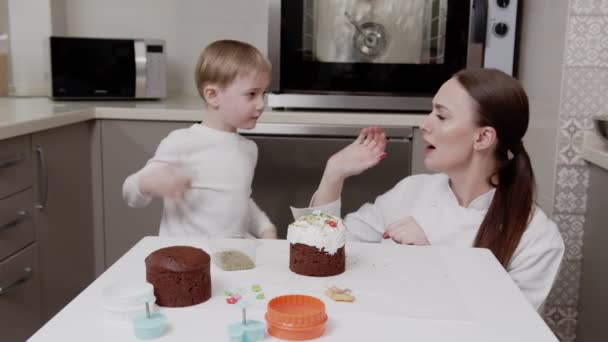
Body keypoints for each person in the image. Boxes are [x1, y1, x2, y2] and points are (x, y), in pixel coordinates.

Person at [291, 68, 564, 310]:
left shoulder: (537, 238)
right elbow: (320, 251)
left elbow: (507, 327)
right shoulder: (411, 191)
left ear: (482, 137)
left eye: (442, 116)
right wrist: (334, 173)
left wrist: (433, 262)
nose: (425, 124)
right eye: (431, 111)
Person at [123, 39, 277, 239]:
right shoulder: (181, 142)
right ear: (213, 96)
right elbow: (130, 192)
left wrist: (264, 226)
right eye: (252, 94)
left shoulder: (249, 149)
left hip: (228, 257)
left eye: (263, 93)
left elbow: (237, 200)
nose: (261, 104)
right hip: (184, 259)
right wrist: (147, 183)